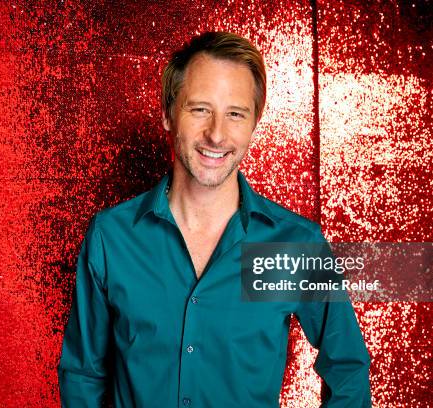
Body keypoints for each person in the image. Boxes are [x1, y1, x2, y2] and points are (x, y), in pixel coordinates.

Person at [58, 31, 371, 407]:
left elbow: (348, 366)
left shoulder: (295, 245)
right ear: (167, 115)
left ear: (254, 123)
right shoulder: (111, 238)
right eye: (200, 109)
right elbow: (82, 375)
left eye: (235, 114)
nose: (217, 134)